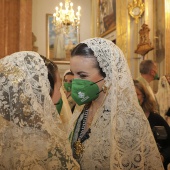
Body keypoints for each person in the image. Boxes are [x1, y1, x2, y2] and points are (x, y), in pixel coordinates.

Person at [68, 37, 164, 169]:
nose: (75, 82)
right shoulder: (81, 109)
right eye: (73, 74)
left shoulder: (128, 120)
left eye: (83, 76)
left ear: (108, 75)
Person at [0, 51, 79, 169]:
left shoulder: (5, 136)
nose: (60, 94)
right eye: (59, 87)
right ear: (43, 92)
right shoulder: (49, 146)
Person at [134, 79, 170, 170]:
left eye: (137, 94)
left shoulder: (155, 118)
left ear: (144, 96)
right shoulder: (121, 120)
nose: (133, 97)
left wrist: (163, 157)